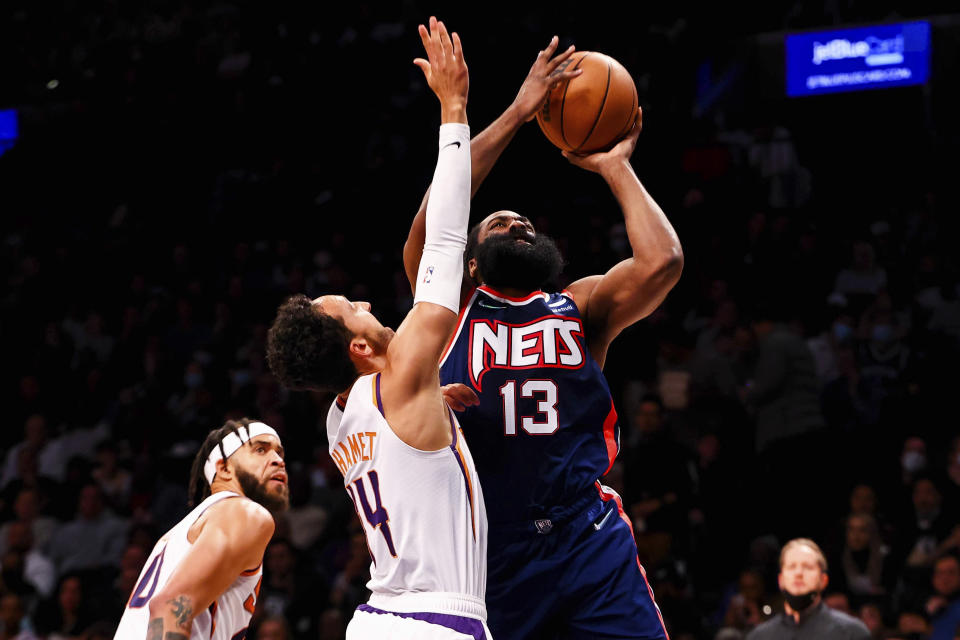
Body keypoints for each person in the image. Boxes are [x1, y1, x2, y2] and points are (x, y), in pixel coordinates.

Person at [401, 35, 682, 640]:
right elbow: (437, 219)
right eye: (499, 223)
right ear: (470, 260)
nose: (518, 223)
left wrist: (616, 167)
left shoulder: (578, 304)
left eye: (524, 221)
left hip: (586, 534)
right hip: (488, 550)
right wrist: (519, 112)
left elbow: (662, 262)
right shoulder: (447, 310)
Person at [266, 17, 491, 639]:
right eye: (354, 308)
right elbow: (445, 241)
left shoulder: (344, 418)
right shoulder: (402, 378)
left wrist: (432, 404)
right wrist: (453, 109)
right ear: (360, 348)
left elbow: (393, 439)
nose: (365, 300)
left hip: (384, 617)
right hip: (434, 622)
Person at [113, 418, 289, 639]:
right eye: (261, 450)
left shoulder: (182, 531)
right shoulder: (244, 512)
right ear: (224, 468)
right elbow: (171, 607)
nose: (277, 461)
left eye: (279, 453)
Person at [746, 538, 871, 639]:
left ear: (823, 580)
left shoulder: (852, 633)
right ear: (781, 580)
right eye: (791, 566)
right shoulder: (759, 636)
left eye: (808, 567)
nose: (799, 573)